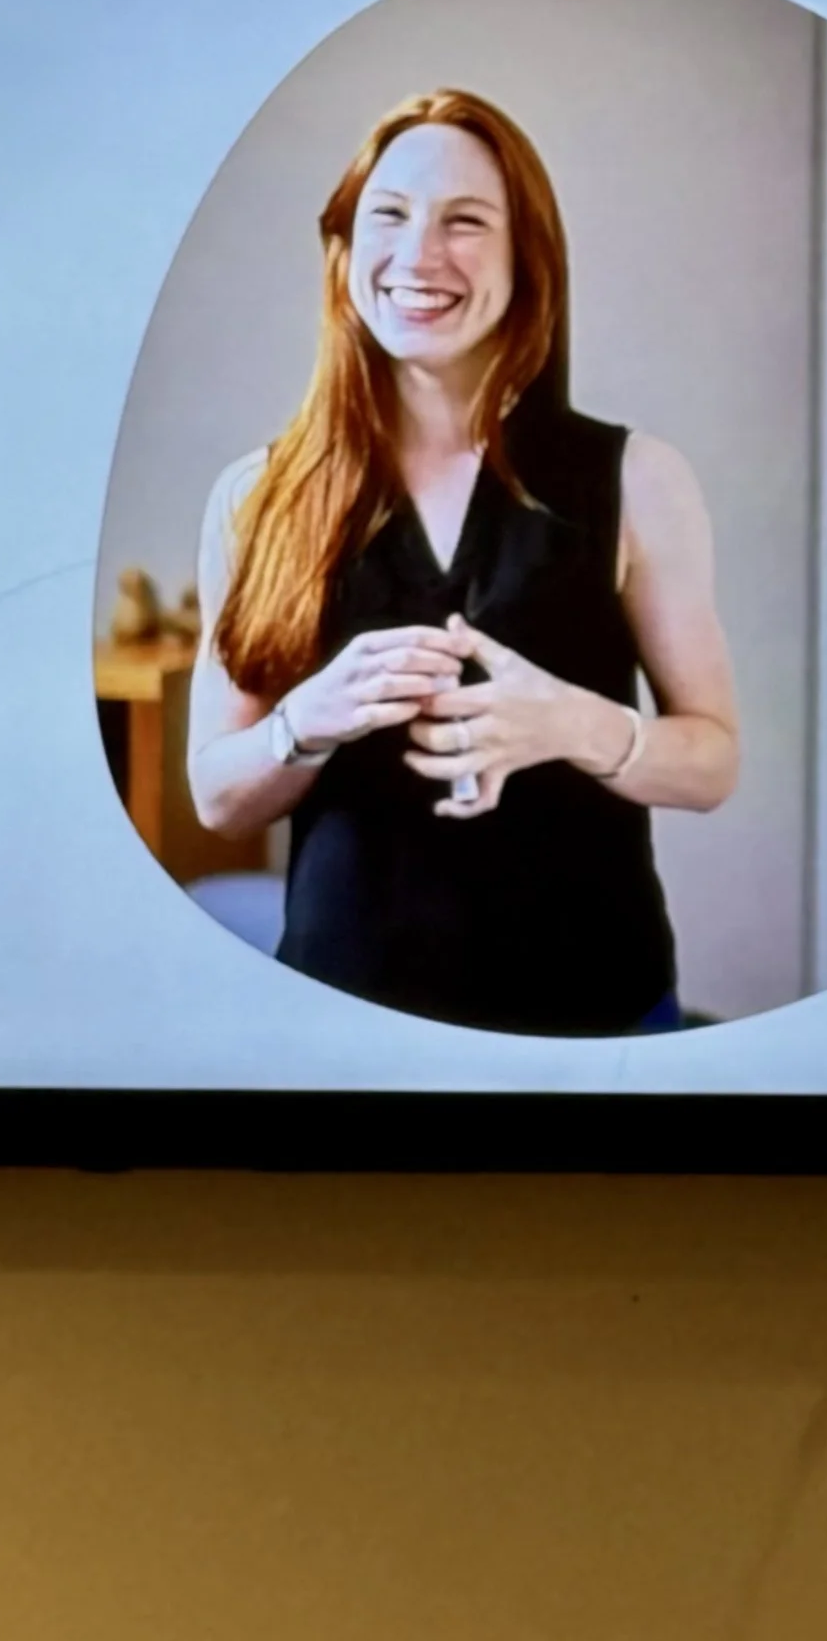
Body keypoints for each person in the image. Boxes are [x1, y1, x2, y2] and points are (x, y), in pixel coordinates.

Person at [187, 87, 739, 1036]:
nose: (419, 255)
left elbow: (713, 760)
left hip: (595, 1022)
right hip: (337, 1029)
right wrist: (307, 722)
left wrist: (571, 724)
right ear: (344, 252)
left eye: (466, 222)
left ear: (528, 258)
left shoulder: (639, 480)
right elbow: (216, 796)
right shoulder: (256, 494)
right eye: (388, 218)